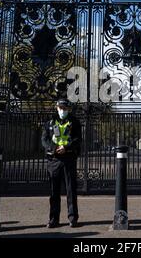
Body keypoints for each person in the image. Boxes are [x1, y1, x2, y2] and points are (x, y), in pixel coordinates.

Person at [42, 98, 82, 228]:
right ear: (56, 108)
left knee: (71, 190)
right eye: (61, 108)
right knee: (54, 191)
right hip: (54, 160)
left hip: (69, 158)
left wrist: (67, 147)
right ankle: (54, 219)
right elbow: (44, 140)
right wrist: (54, 148)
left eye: (65, 108)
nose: (63, 110)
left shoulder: (75, 122)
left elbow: (78, 139)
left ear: (68, 109)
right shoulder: (49, 122)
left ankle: (73, 218)